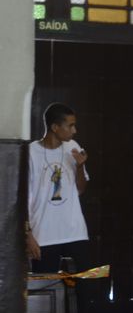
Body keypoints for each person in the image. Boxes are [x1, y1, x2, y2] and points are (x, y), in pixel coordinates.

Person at [26, 102, 90, 273]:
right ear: (55, 127)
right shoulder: (30, 152)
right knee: (46, 292)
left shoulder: (73, 147)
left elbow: (81, 189)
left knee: (83, 289)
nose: (74, 130)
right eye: (70, 126)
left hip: (75, 232)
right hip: (44, 235)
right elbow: (22, 199)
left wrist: (80, 166)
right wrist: (28, 235)